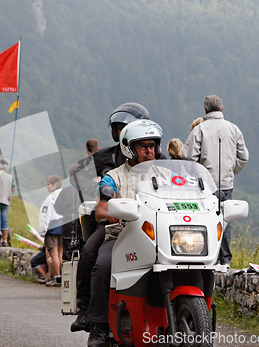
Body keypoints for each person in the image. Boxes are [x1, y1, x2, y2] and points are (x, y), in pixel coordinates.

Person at [71, 102, 166, 333]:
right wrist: (111, 213)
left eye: (152, 146)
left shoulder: (166, 172)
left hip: (160, 235)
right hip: (122, 233)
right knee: (98, 262)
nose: (149, 151)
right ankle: (97, 324)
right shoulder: (113, 172)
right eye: (143, 147)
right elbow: (101, 207)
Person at [184, 95, 249, 266]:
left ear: (205, 110)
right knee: (225, 220)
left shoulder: (199, 130)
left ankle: (206, 257)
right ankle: (225, 260)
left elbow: (189, 157)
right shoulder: (234, 129)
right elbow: (244, 156)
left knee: (204, 220)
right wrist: (232, 171)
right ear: (222, 109)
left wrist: (197, 175)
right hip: (226, 184)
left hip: (204, 185)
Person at [38, 175, 63, 287]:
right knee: (60, 254)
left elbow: (44, 216)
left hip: (52, 227)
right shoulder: (64, 194)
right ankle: (60, 276)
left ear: (54, 186)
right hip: (63, 226)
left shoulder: (50, 198)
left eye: (48, 184)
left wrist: (42, 231)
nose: (47, 187)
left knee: (54, 255)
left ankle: (56, 277)